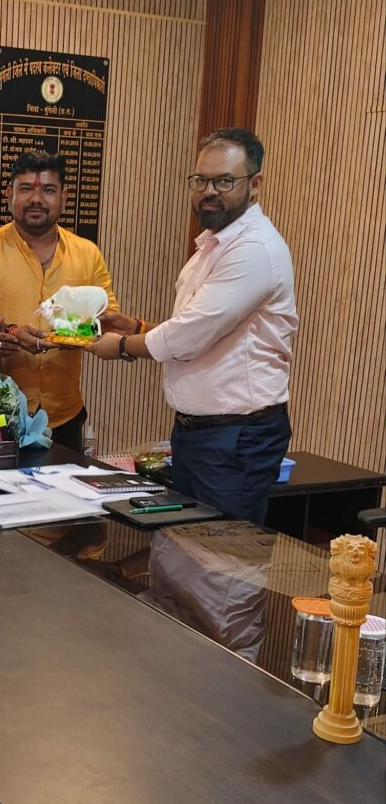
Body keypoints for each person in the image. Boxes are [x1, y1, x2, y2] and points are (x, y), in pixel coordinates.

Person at [86, 128, 298, 524]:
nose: (209, 191)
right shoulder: (214, 244)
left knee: (223, 552)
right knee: (187, 544)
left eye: (224, 181)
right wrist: (135, 325)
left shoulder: (253, 248)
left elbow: (188, 335)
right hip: (202, 434)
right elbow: (198, 329)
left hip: (236, 437)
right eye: (201, 180)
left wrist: (121, 345)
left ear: (255, 185)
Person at [0, 150, 127, 451]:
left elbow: (107, 318)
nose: (36, 199)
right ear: (9, 194)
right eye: (26, 189)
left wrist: (72, 334)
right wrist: (11, 332)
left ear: (64, 197)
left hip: (65, 416)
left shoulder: (87, 253)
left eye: (48, 190)